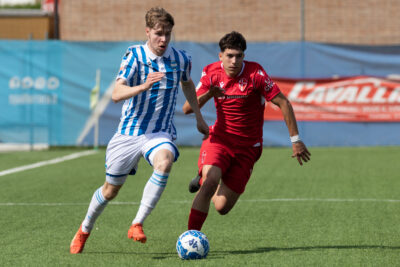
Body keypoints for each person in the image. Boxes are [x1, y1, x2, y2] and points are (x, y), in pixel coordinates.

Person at [70, 7, 209, 254]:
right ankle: (85, 228)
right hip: (129, 133)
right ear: (147, 32)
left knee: (165, 162)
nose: (163, 39)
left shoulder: (181, 58)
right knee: (110, 190)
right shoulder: (134, 55)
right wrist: (144, 86)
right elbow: (116, 94)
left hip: (159, 133)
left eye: (168, 33)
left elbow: (187, 84)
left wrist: (199, 116)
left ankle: (137, 223)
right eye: (158, 33)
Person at [182, 31, 311, 231]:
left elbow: (284, 103)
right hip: (219, 140)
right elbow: (187, 108)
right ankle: (190, 236)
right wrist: (210, 94)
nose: (234, 61)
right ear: (220, 56)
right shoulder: (211, 72)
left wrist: (296, 140)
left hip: (248, 148)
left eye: (239, 56)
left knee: (222, 207)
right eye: (229, 56)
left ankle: (202, 178)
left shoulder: (255, 74)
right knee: (210, 182)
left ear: (244, 56)